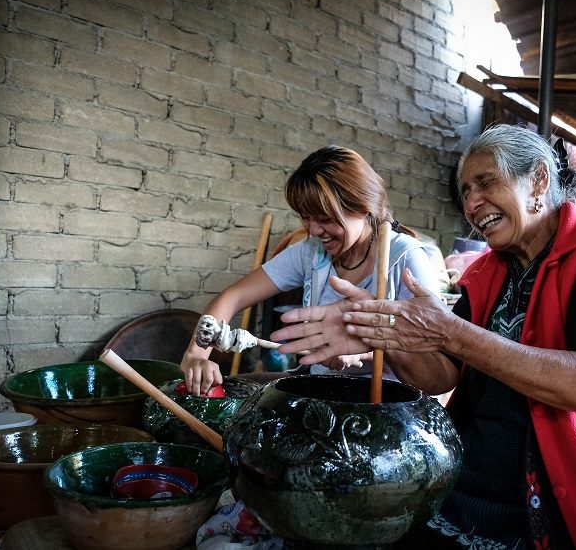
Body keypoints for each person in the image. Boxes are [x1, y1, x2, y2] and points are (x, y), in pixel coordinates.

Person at [272, 124, 576, 549]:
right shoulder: (486, 272)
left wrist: (453, 332)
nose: (471, 204)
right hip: (473, 486)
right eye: (466, 192)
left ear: (539, 179)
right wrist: (386, 332)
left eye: (486, 183)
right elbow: (440, 378)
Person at [180, 145, 443, 396]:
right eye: (306, 217)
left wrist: (365, 351)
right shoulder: (312, 252)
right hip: (317, 386)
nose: (314, 230)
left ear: (363, 208)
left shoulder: (404, 259)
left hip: (384, 401)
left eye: (326, 219)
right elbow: (234, 296)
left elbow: (436, 368)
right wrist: (196, 355)